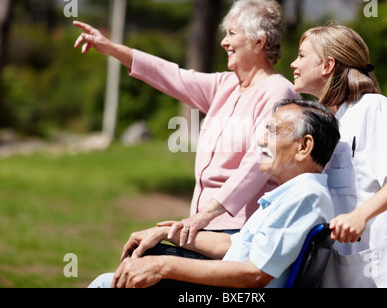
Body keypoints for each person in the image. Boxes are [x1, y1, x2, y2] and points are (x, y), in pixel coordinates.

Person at [73, 0, 299, 245]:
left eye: (232, 34)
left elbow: (258, 163)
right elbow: (172, 75)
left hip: (239, 232)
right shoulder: (226, 85)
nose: (224, 42)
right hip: (204, 226)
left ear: (259, 42)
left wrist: (205, 215)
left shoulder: (279, 92)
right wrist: (112, 48)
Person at [88, 98, 341, 288]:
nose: (262, 141)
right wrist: (168, 233)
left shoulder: (305, 197)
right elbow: (234, 244)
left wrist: (163, 266)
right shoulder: (295, 194)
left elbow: (254, 275)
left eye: (273, 131)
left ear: (304, 146)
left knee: (106, 283)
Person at [290, 24, 387, 287]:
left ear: (327, 65)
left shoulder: (374, 107)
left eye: (301, 55)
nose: (292, 63)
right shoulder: (327, 123)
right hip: (347, 271)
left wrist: (360, 215)